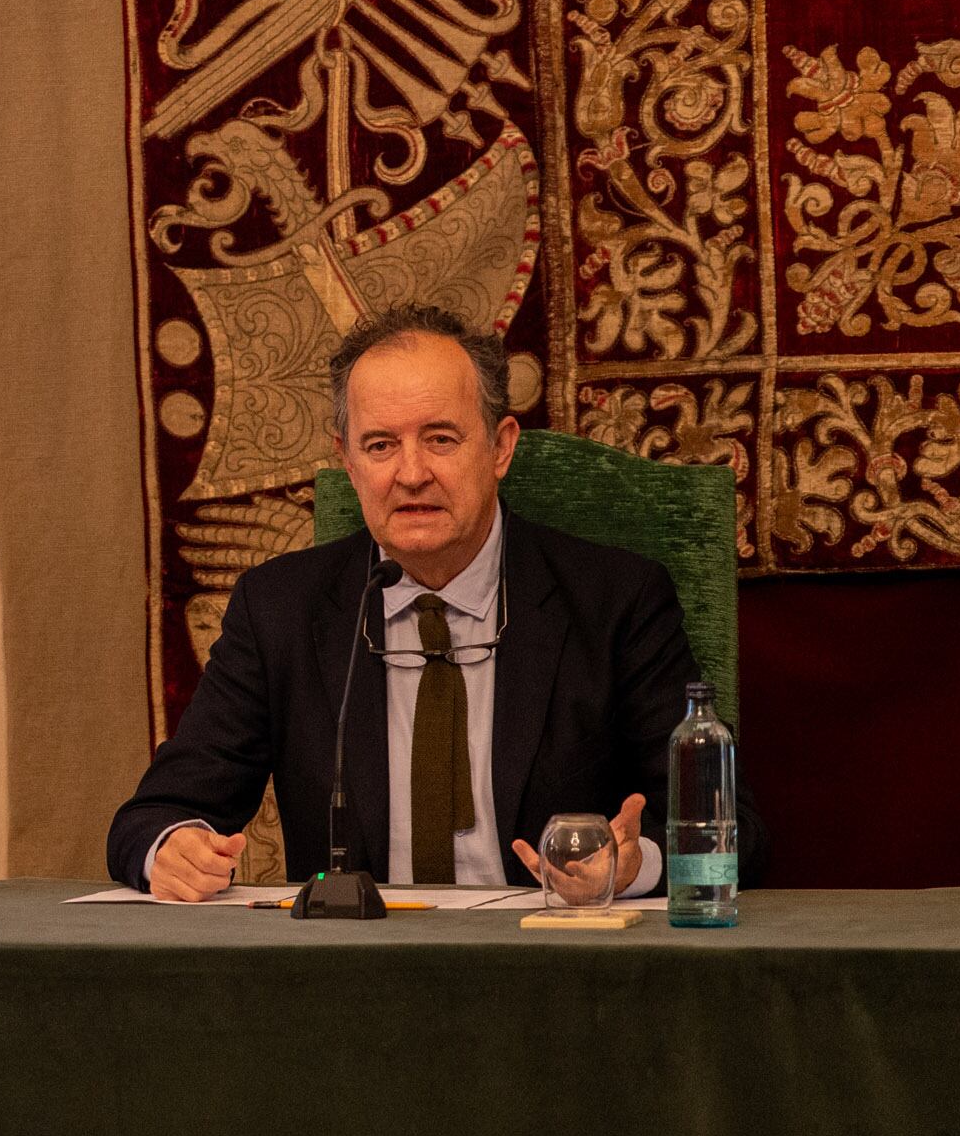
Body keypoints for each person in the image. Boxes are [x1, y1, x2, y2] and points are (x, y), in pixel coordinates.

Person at [107, 302, 767, 900]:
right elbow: (151, 816)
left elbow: (731, 827)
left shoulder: (615, 600)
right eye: (380, 444)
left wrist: (634, 862)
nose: (411, 471)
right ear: (346, 459)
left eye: (441, 438)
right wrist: (171, 849)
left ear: (500, 446)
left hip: (556, 971)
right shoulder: (280, 608)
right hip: (352, 981)